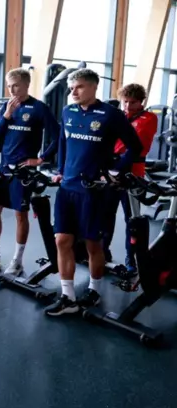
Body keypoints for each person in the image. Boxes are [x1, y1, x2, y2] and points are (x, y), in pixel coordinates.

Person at [44, 69, 143, 316]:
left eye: (78, 87)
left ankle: (94, 290)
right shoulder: (68, 111)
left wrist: (114, 171)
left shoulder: (111, 115)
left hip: (94, 190)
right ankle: (68, 297)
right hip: (68, 187)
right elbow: (64, 143)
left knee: (93, 244)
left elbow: (135, 146)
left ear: (93, 87)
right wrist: (61, 170)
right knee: (62, 240)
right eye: (71, 88)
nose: (73, 92)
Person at [0, 67, 58, 275]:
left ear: (26, 84)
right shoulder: (6, 106)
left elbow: (58, 136)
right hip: (4, 168)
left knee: (20, 215)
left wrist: (42, 158)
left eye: (16, 85)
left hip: (24, 170)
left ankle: (17, 261)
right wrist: (6, 115)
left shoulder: (39, 108)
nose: (11, 90)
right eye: (9, 86)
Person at [103, 83, 158, 274]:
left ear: (141, 102)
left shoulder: (148, 118)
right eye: (125, 102)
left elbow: (136, 143)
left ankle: (131, 258)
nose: (127, 106)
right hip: (112, 171)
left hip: (133, 172)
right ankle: (103, 252)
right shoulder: (119, 116)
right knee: (106, 214)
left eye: (132, 102)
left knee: (132, 219)